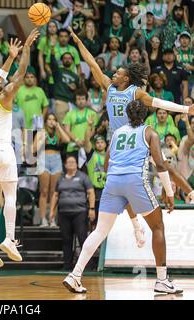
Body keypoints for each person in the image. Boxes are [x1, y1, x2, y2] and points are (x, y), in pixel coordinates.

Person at [69, 26, 194, 245]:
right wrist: (78, 42)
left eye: (118, 72)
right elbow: (90, 62)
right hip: (116, 142)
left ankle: (190, 193)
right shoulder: (109, 87)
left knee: (164, 165)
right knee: (114, 179)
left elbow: (159, 103)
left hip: (136, 137)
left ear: (126, 79)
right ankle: (136, 225)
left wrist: (185, 110)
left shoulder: (135, 92)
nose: (113, 73)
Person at [63, 100, 183, 294]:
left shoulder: (118, 133)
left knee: (100, 231)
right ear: (146, 116)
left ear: (127, 115)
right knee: (157, 226)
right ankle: (162, 280)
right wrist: (169, 193)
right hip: (135, 180)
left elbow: (107, 162)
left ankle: (75, 275)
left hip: (112, 181)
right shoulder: (149, 132)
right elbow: (160, 164)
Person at [0, 29, 40, 268]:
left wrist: (10, 56)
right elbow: (20, 74)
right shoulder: (4, 98)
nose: (0, 79)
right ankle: (10, 239)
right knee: (10, 196)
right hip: (3, 152)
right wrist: (26, 50)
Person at [50, 155, 95, 270]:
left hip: (79, 212)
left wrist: (92, 209)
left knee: (82, 238)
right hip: (64, 213)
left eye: (73, 162)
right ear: (65, 165)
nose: (70, 164)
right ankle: (67, 265)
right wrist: (52, 211)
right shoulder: (61, 178)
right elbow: (55, 195)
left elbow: (90, 192)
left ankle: (87, 266)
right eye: (68, 162)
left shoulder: (83, 177)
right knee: (66, 239)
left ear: (76, 164)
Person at [33, 113, 70, 227]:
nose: (51, 121)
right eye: (49, 119)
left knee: (54, 192)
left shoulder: (58, 132)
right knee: (44, 191)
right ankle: (43, 219)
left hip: (56, 159)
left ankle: (52, 219)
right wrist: (42, 140)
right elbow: (33, 149)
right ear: (45, 121)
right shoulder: (40, 132)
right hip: (43, 158)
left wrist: (58, 126)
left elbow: (67, 140)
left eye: (53, 119)